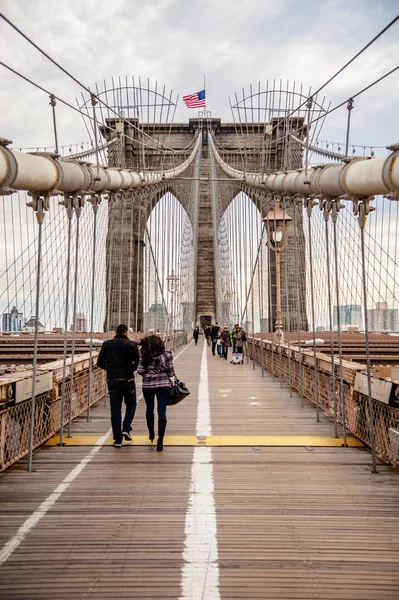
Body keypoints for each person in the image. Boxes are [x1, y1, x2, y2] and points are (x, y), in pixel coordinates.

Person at [97, 324, 140, 448]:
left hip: (113, 380)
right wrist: (129, 370)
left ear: (116, 332)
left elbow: (100, 363)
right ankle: (126, 428)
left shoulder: (107, 344)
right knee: (131, 404)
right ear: (126, 333)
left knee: (115, 409)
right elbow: (137, 363)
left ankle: (117, 440)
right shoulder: (132, 345)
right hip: (127, 379)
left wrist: (111, 369)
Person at [137, 335, 175, 451]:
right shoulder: (167, 355)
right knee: (161, 412)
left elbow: (140, 370)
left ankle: (151, 433)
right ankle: (160, 440)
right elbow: (171, 372)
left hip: (148, 385)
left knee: (149, 408)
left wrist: (148, 374)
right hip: (163, 385)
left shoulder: (144, 354)